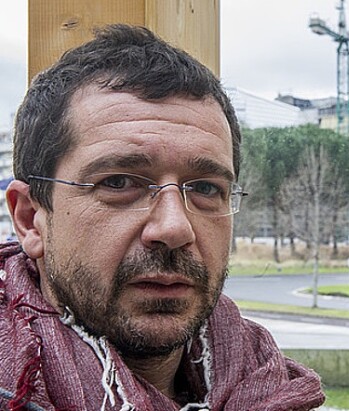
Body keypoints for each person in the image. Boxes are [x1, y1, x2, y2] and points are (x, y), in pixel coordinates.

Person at [0, 25, 324, 410]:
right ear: (30, 217)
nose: (174, 228)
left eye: (204, 188)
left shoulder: (268, 385)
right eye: (119, 182)